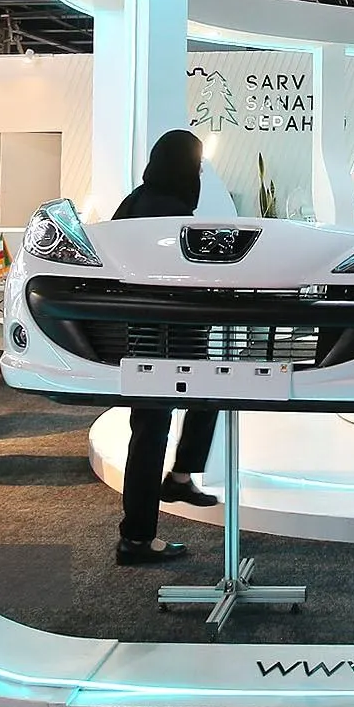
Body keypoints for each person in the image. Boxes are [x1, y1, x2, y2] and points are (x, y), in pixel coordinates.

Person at [115, 129, 221, 567]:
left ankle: (178, 478)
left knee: (202, 399)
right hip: (165, 335)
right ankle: (137, 538)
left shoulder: (136, 202)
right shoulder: (171, 212)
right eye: (197, 166)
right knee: (152, 430)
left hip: (147, 334)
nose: (199, 174)